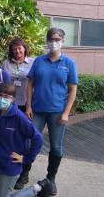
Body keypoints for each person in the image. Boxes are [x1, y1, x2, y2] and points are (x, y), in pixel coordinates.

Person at [26, 28, 78, 196]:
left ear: (63, 41)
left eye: (57, 39)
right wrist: (28, 106)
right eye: (51, 39)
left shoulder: (69, 63)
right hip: (38, 111)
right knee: (29, 142)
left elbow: (72, 90)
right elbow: (29, 84)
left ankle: (51, 178)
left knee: (56, 147)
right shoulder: (39, 61)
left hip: (57, 112)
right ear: (47, 41)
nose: (54, 42)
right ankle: (23, 173)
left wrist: (66, 113)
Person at [2, 38, 34, 190]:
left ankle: (24, 174)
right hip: (10, 106)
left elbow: (35, 84)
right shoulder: (6, 64)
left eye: (20, 48)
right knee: (11, 137)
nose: (17, 51)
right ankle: (12, 169)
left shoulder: (33, 63)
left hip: (26, 106)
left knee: (26, 140)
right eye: (14, 49)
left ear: (24, 48)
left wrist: (30, 105)